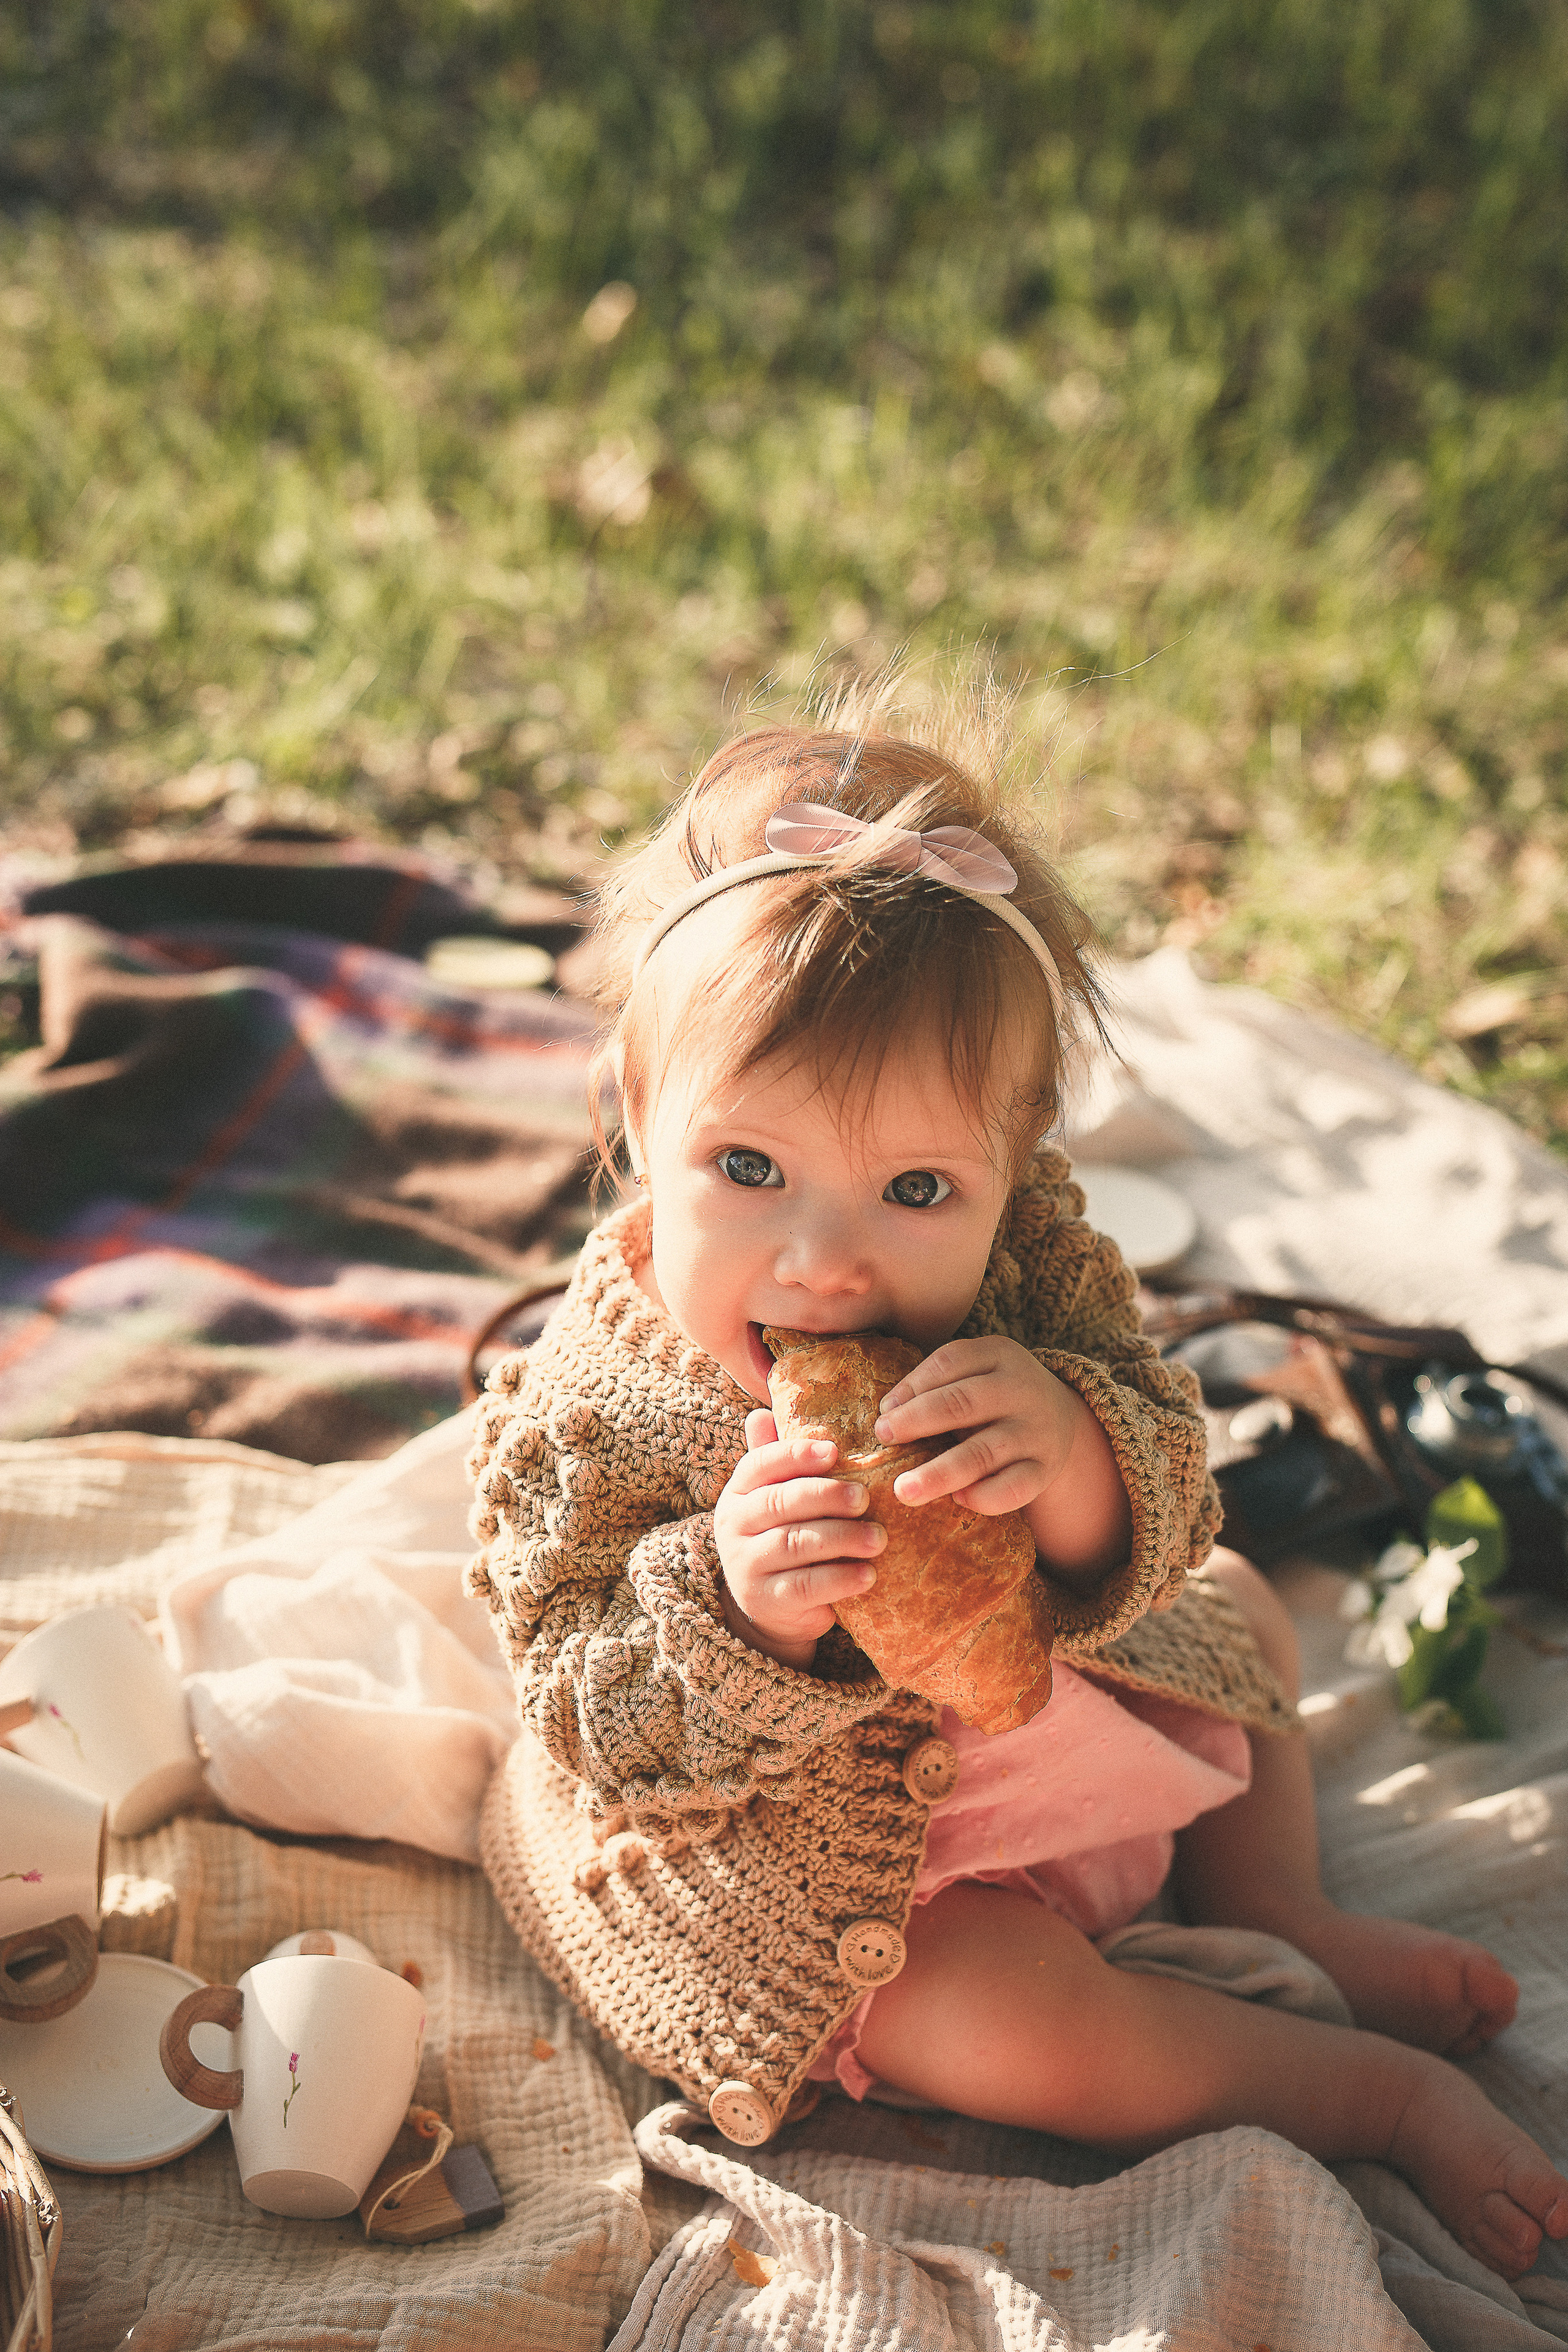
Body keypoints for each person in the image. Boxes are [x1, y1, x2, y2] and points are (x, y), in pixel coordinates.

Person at [469, 685, 1568, 2281]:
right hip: (825, 1869)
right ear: (639, 1119)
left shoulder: (1037, 1266)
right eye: (749, 1170)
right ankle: (1370, 2095)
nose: (826, 1260)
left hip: (1047, 1723)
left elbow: (1172, 1467)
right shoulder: (593, 1405)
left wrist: (1075, 1458)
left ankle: (1286, 1910)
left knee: (1236, 1601)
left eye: (918, 1188)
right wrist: (737, 1607)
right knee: (1004, 2022)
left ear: (1018, 1157)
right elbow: (583, 1703)